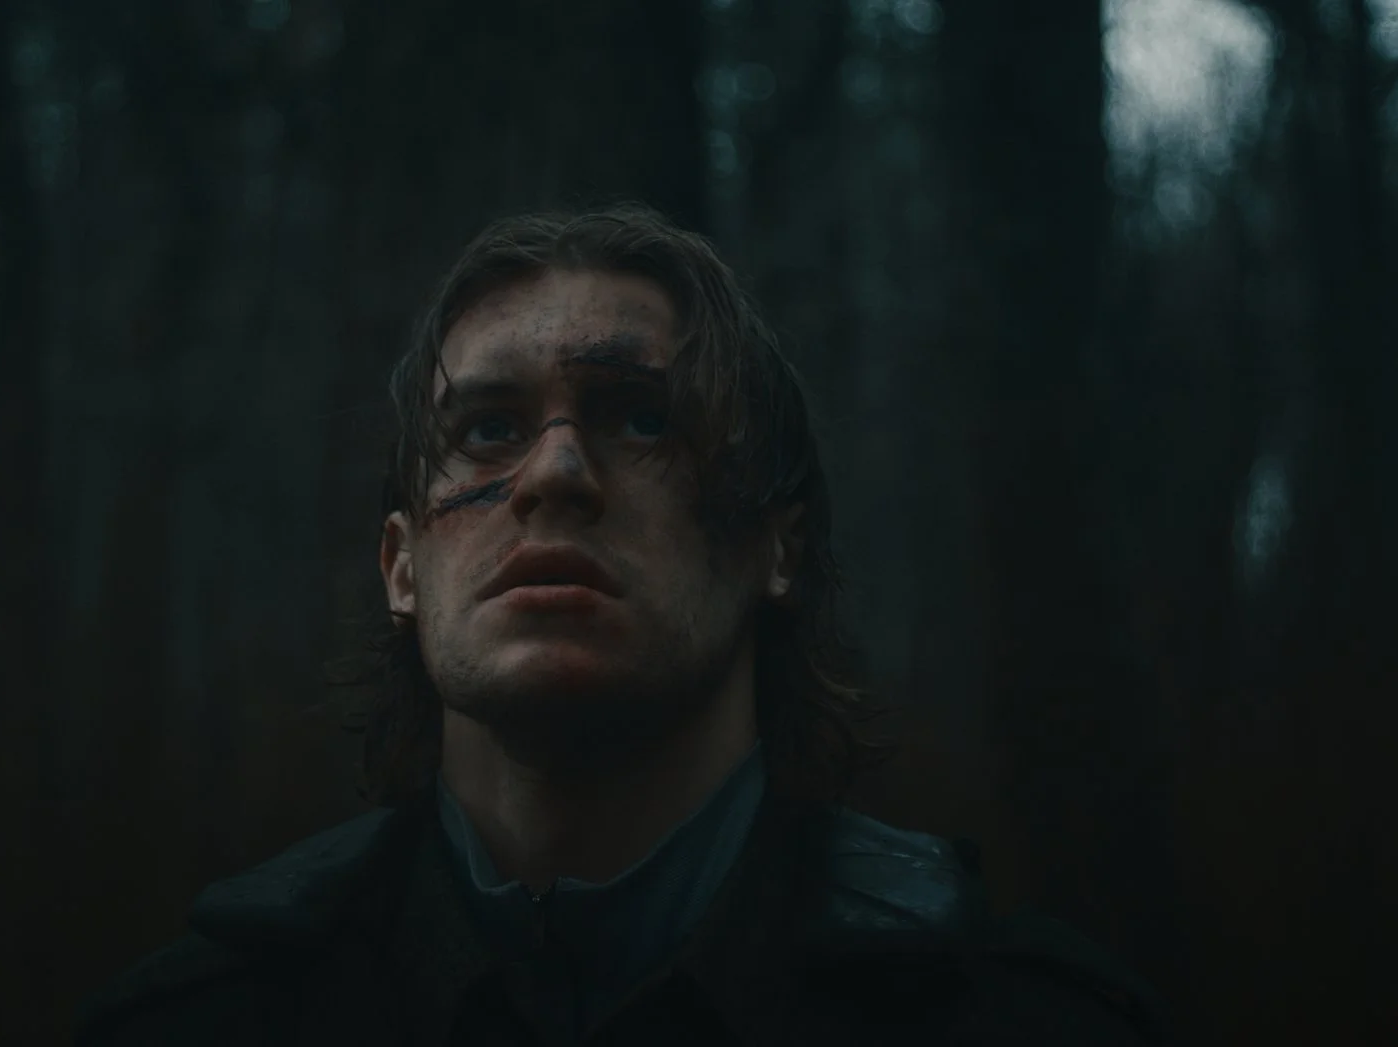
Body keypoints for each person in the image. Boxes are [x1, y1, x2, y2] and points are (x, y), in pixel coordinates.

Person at [76, 204, 1162, 1045]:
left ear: (773, 547)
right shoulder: (202, 1022)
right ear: (401, 569)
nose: (553, 472)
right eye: (489, 427)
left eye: (643, 418)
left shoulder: (1017, 1021)